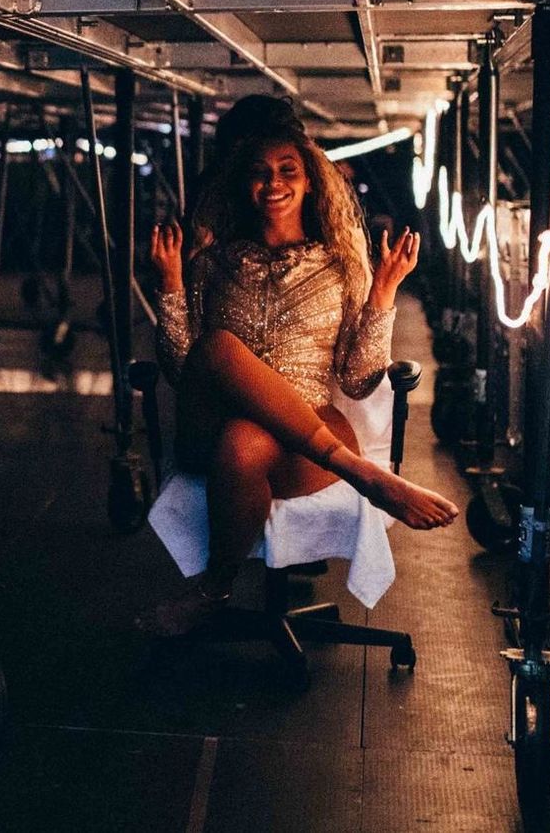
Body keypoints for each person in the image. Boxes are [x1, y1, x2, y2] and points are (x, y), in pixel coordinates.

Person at [140, 112, 458, 635]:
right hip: (210, 426)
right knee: (220, 351)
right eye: (261, 172)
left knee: (246, 441)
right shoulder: (212, 263)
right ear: (244, 184)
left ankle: (213, 591)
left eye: (289, 170)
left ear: (310, 182)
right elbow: (183, 370)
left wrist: (383, 291)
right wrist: (172, 283)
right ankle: (370, 477)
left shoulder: (340, 266)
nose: (274, 183)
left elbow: (357, 380)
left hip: (303, 440)